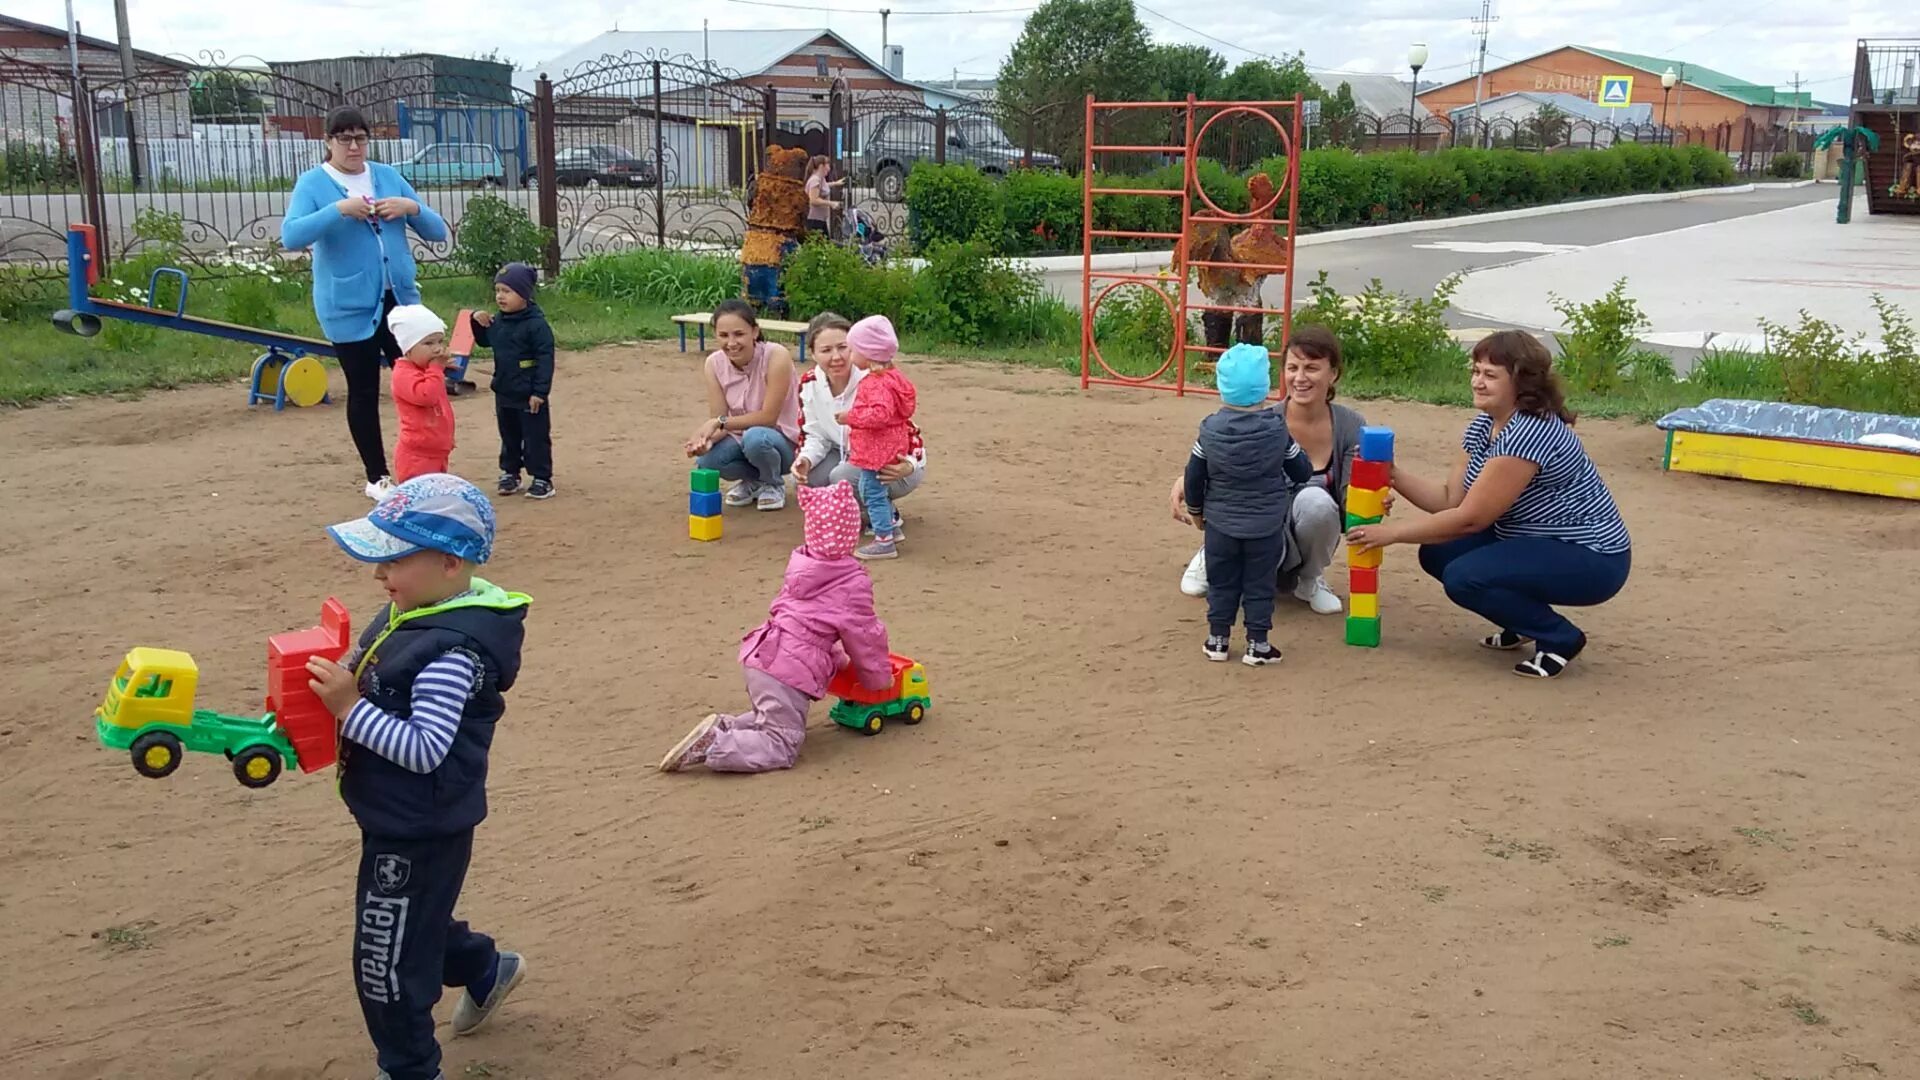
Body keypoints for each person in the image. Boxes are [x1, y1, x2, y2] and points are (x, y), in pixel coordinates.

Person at [302, 474, 532, 1080]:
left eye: (394, 559)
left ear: (450, 564)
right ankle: (484, 968)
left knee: (385, 959)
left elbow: (427, 748)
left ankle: (408, 1067)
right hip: (397, 813)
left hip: (421, 823)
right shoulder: (416, 608)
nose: (380, 574)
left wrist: (350, 709)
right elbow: (368, 671)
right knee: (413, 919)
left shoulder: (453, 653)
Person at [1345, 330, 1631, 680]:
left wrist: (1389, 534)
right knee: (1438, 552)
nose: (1477, 382)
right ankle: (1522, 623)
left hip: (1592, 557)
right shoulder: (1485, 425)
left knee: (1465, 577)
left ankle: (1559, 638)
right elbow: (1450, 500)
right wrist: (1393, 474)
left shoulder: (1530, 432)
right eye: (1476, 371)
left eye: (1490, 375)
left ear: (1522, 382)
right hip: (1533, 541)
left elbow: (1470, 520)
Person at [659, 480, 892, 773]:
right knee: (782, 743)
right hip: (787, 672)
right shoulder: (853, 583)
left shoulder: (803, 569)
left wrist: (839, 661)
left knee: (770, 717)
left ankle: (725, 726)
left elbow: (811, 627)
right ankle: (717, 744)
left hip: (762, 654)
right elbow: (865, 636)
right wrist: (877, 679)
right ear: (850, 536)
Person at [283, 106, 448, 501]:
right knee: (363, 389)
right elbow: (291, 236)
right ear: (328, 142)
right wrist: (338, 210)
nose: (353, 146)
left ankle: (425, 463)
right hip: (348, 303)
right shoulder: (313, 184)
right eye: (344, 139)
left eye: (360, 138)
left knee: (421, 381)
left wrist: (410, 208)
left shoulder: (388, 176)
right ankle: (378, 476)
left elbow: (437, 230)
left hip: (400, 303)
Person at [1173, 325, 1363, 616]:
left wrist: (1369, 504)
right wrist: (1185, 480)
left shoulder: (1351, 426)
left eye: (1311, 368)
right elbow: (1217, 463)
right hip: (1256, 523)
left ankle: (1310, 579)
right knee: (1224, 487)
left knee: (1317, 502)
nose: (1300, 378)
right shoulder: (1262, 421)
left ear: (1333, 373)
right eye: (1292, 368)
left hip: (1301, 525)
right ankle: (1211, 552)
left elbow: (1352, 493)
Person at [1184, 343, 1316, 666]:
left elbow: (1193, 476)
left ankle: (1217, 639)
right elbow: (1301, 469)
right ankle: (1258, 644)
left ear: (1221, 388)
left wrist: (1196, 511)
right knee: (1259, 584)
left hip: (1219, 524)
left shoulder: (1209, 432)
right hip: (1265, 526)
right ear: (1266, 389)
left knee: (1222, 580)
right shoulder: (1277, 431)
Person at [794, 312, 926, 534]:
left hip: (892, 463)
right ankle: (857, 510)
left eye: (843, 347)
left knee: (841, 476)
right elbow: (813, 433)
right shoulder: (809, 383)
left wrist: (910, 464)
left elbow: (905, 429)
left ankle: (885, 517)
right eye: (826, 350)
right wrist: (805, 459)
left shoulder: (875, 379)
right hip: (853, 456)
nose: (836, 357)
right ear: (813, 354)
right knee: (808, 475)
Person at [683, 299, 801, 511]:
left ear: (754, 332)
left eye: (739, 334)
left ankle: (773, 483)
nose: (731, 342)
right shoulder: (713, 363)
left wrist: (717, 423)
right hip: (744, 439)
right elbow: (721, 420)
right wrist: (704, 440)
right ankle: (754, 482)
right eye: (724, 335)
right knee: (707, 461)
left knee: (756, 437)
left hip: (782, 441)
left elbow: (768, 418)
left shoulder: (776, 356)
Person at [472, 263, 556, 500]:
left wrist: (540, 391)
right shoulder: (498, 322)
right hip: (504, 391)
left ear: (525, 294)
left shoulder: (536, 325)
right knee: (509, 436)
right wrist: (476, 322)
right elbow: (485, 342)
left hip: (530, 395)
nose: (500, 296)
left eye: (507, 291)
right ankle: (510, 472)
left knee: (535, 437)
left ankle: (542, 478)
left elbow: (545, 359)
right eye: (498, 290)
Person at [837, 315, 917, 561]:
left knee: (871, 490)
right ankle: (891, 527)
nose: (849, 355)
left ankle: (884, 539)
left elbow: (879, 414)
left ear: (868, 353)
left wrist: (851, 417)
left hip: (876, 448)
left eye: (853, 349)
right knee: (872, 488)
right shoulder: (894, 377)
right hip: (890, 444)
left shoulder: (875, 383)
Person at [387, 306, 455, 484]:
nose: (437, 349)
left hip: (436, 451)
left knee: (435, 499)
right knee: (420, 502)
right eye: (428, 343)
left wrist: (441, 368)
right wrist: (436, 368)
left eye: (440, 341)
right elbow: (426, 396)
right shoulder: (402, 373)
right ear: (408, 348)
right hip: (417, 456)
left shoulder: (425, 370)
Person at [804, 155, 846, 237]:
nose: (829, 168)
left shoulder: (821, 179)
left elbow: (824, 186)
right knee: (819, 246)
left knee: (824, 245)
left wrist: (836, 183)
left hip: (821, 220)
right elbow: (813, 200)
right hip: (814, 221)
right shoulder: (815, 180)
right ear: (821, 166)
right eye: (828, 165)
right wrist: (831, 204)